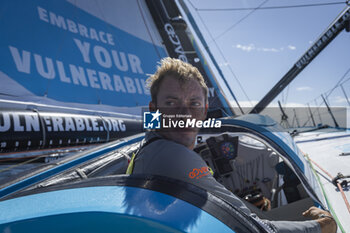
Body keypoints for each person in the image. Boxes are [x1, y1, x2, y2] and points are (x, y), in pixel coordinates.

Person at [130, 57, 337, 233]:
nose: (185, 115)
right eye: (172, 103)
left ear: (204, 111)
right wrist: (321, 226)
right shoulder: (175, 156)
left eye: (194, 104)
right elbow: (252, 228)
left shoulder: (147, 150)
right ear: (154, 109)